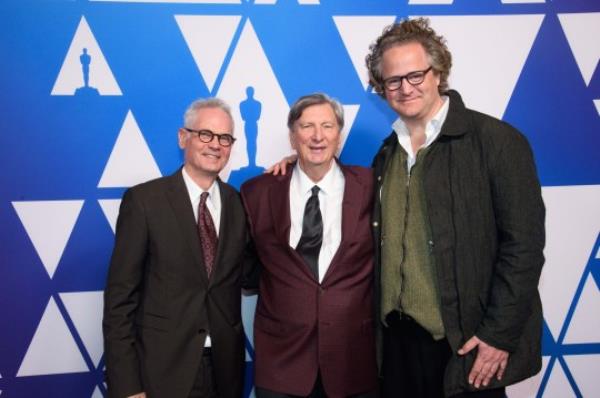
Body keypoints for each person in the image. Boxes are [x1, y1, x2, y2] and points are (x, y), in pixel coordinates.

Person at [365, 18, 545, 397]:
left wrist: (499, 334)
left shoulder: (496, 142)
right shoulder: (385, 154)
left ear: (438, 73)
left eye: (415, 75)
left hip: (465, 344)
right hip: (396, 346)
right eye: (393, 81)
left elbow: (524, 248)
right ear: (382, 89)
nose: (405, 88)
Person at [103, 98, 251, 398]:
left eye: (224, 138)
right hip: (161, 373)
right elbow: (120, 301)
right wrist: (128, 387)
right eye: (205, 134)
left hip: (225, 372)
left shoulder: (238, 203)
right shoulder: (144, 202)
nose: (215, 145)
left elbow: (253, 274)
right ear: (184, 137)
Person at [241, 93, 378, 398]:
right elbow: (245, 267)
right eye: (307, 127)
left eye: (327, 126)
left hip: (354, 362)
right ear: (292, 137)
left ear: (338, 136)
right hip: (281, 364)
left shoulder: (372, 186)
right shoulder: (257, 192)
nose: (318, 136)